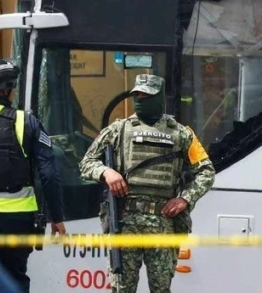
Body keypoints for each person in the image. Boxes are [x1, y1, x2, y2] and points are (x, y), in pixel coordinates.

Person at [79, 74, 215, 293]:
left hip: (163, 223)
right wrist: (106, 172)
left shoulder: (181, 133)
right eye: (137, 95)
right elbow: (86, 163)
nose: (140, 99)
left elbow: (206, 172)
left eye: (146, 95)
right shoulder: (118, 130)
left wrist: (185, 199)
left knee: (160, 289)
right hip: (125, 221)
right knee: (122, 288)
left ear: (158, 98)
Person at [0, 58, 66, 292]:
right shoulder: (26, 121)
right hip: (18, 219)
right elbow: (49, 174)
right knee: (15, 278)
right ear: (8, 90)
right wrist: (57, 218)